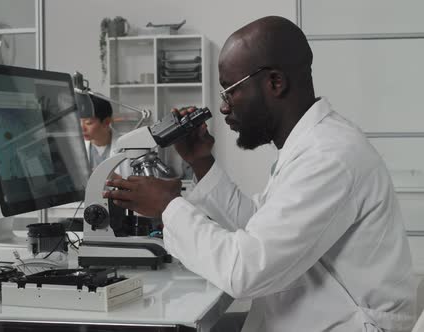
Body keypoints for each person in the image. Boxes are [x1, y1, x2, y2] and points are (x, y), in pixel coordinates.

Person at [103, 16, 416, 332]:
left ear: (275, 83)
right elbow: (259, 228)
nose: (224, 108)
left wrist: (169, 208)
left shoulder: (329, 156)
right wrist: (201, 162)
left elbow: (246, 271)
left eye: (230, 92)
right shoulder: (310, 146)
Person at [81, 94, 130, 177]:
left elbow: (137, 185)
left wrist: (117, 179)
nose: (82, 128)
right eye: (79, 122)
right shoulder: (78, 146)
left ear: (106, 122)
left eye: (88, 123)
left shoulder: (127, 147)